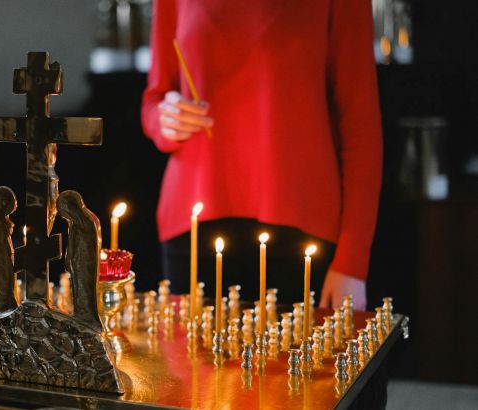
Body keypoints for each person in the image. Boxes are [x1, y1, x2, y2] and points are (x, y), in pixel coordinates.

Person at [141, 0, 382, 309]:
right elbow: (154, 101)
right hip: (192, 223)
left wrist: (352, 262)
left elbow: (361, 125)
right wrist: (166, 118)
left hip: (302, 226)